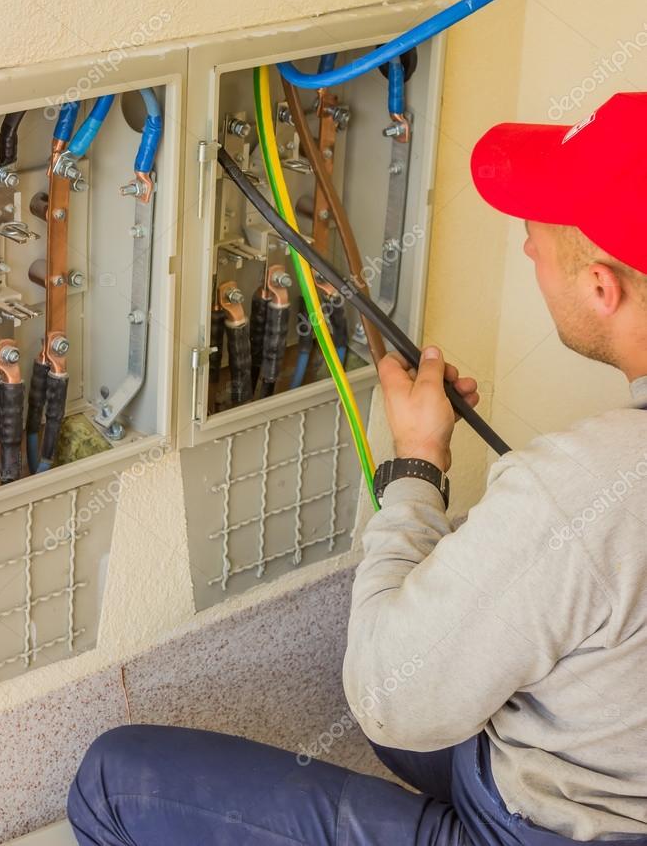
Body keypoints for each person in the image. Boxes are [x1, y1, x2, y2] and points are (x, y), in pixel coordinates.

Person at [67, 92, 647, 845]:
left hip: (557, 829)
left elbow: (387, 691)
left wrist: (416, 464)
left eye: (537, 232)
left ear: (602, 288)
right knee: (411, 711)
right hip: (610, 765)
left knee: (113, 780)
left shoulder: (582, 487)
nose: (528, 247)